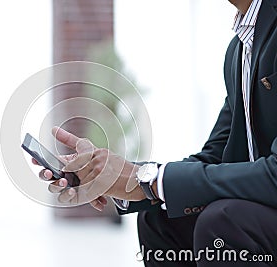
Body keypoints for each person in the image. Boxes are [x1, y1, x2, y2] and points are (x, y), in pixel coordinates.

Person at [34, 0, 277, 265]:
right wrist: (118, 177)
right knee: (160, 218)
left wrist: (148, 180)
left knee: (225, 221)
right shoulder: (239, 48)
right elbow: (216, 156)